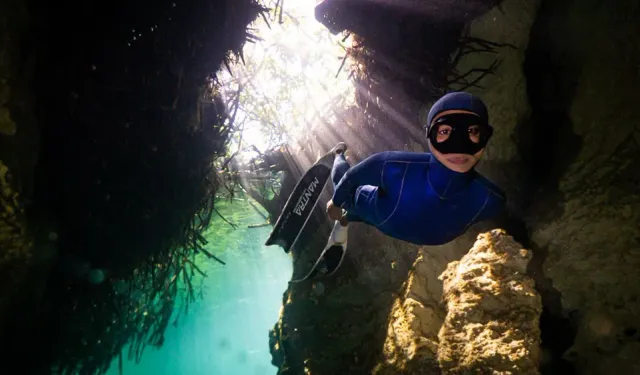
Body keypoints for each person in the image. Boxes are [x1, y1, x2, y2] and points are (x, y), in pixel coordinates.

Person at [325, 91, 506, 249]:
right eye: (444, 131)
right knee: (348, 196)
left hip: (381, 217)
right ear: (429, 135)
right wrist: (336, 201)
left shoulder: (492, 201)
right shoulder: (393, 166)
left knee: (365, 216)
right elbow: (350, 178)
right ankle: (338, 153)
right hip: (369, 205)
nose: (459, 146)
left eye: (473, 131)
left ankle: (347, 219)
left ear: (485, 136)